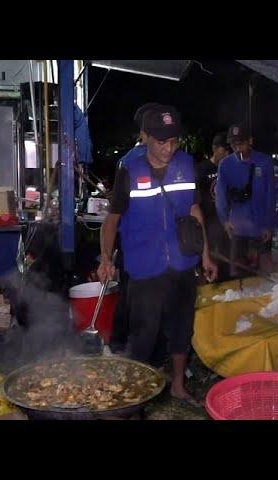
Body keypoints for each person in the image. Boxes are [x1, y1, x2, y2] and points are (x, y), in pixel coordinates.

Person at [98, 104, 217, 407]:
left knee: (181, 326)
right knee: (144, 333)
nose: (169, 148)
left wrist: (205, 255)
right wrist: (105, 258)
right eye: (162, 141)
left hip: (181, 262)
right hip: (144, 265)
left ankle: (177, 385)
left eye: (174, 141)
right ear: (145, 137)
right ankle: (134, 395)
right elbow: (111, 221)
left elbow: (194, 210)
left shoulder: (186, 165)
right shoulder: (129, 170)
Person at [109, 102, 163, 354]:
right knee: (141, 299)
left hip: (142, 243)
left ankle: (123, 344)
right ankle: (140, 351)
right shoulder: (133, 162)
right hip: (141, 244)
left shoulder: (130, 160)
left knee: (131, 295)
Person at [215, 124, 276, 277]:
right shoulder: (225, 165)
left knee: (266, 272)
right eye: (234, 145)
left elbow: (271, 195)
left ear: (250, 141)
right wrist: (225, 221)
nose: (238, 148)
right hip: (238, 228)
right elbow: (220, 195)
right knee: (238, 274)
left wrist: (268, 225)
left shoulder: (265, 162)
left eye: (241, 143)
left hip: (261, 226)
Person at [195, 132, 231, 281]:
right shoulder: (201, 169)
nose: (228, 153)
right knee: (210, 266)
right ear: (215, 148)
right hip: (207, 224)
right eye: (225, 149)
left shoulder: (229, 168)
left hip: (224, 223)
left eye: (229, 150)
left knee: (227, 267)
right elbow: (195, 202)